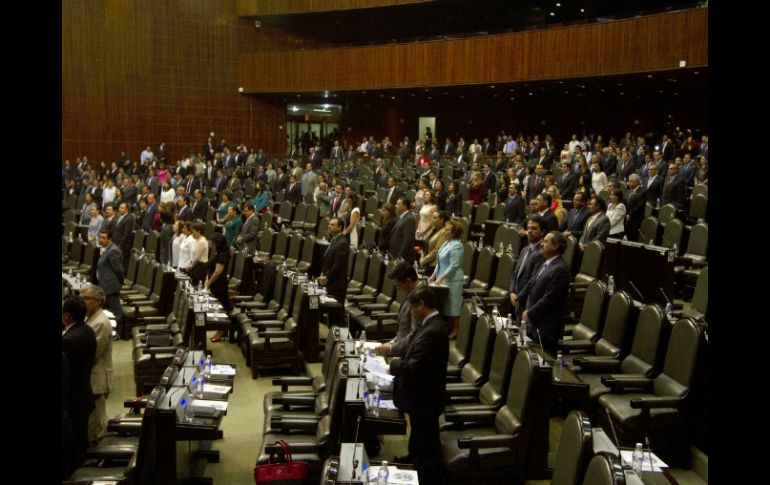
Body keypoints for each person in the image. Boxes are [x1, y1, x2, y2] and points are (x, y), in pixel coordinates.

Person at [389, 286, 448, 484]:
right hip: (421, 395)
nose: (412, 313)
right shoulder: (428, 324)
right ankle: (414, 457)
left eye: (413, 308)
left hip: (425, 397)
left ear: (421, 304)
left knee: (427, 441)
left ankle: (427, 476)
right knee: (418, 433)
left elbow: (415, 367)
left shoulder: (433, 330)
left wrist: (393, 364)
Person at [520, 231, 571, 356]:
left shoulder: (560, 270)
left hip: (546, 327)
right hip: (535, 323)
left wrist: (530, 314)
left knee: (544, 364)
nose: (541, 244)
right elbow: (533, 283)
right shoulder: (546, 263)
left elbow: (549, 299)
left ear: (555, 246)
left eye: (546, 241)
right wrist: (520, 297)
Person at [61, 295, 96, 472]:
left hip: (73, 400)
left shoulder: (67, 341)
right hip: (84, 394)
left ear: (66, 316)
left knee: (73, 446)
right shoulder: (88, 330)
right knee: (81, 440)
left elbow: (66, 376)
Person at [80, 284, 113, 444]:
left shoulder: (100, 322)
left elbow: (92, 355)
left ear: (98, 301)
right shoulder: (90, 319)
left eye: (86, 299)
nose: (82, 302)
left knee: (96, 427)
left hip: (97, 380)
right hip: (91, 380)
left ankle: (99, 462)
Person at [428, 218, 464, 338]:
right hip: (442, 278)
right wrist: (433, 276)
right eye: (445, 229)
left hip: (453, 279)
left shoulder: (457, 246)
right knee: (444, 305)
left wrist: (440, 278)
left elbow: (454, 265)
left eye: (447, 230)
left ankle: (456, 330)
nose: (444, 231)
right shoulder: (446, 243)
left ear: (454, 233)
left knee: (453, 306)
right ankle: (447, 328)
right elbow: (439, 262)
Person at [374, 262, 419, 357]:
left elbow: (414, 335)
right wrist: (392, 342)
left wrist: (391, 348)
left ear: (408, 281)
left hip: (409, 355)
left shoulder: (419, 300)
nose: (398, 290)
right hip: (401, 347)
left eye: (398, 286)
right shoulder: (411, 294)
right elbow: (404, 331)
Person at [509, 216, 545, 320]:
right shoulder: (525, 249)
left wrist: (519, 297)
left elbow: (533, 280)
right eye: (528, 228)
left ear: (542, 232)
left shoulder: (542, 253)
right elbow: (515, 273)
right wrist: (511, 291)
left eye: (534, 228)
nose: (529, 231)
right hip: (517, 299)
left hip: (528, 301)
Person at [96, 229, 125, 338]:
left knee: (117, 311)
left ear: (110, 239)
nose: (101, 240)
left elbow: (119, 270)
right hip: (104, 285)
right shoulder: (106, 249)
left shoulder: (113, 251)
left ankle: (120, 333)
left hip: (111, 286)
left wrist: (120, 282)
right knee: (105, 311)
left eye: (103, 238)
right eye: (100, 237)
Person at [208, 233, 234, 343]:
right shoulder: (218, 253)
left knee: (223, 306)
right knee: (219, 307)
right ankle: (221, 329)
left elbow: (218, 271)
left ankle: (222, 329)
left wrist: (208, 283)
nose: (211, 244)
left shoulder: (223, 254)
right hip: (215, 284)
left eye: (212, 243)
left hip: (219, 284)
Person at [318, 217, 351, 303]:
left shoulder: (342, 243)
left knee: (335, 314)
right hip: (331, 283)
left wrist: (327, 277)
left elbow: (338, 265)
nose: (329, 226)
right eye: (329, 224)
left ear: (340, 227)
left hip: (337, 285)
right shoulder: (334, 240)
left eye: (332, 225)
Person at [388, 197, 417, 264]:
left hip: (401, 258)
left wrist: (399, 257)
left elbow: (407, 240)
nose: (395, 206)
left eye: (398, 204)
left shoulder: (410, 219)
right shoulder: (402, 217)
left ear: (404, 206)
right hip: (394, 253)